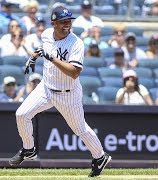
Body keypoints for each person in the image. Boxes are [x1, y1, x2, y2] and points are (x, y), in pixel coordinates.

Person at [9, 6, 111, 177]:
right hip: (46, 87)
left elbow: (74, 72)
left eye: (69, 21)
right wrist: (33, 57)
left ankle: (100, 157)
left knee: (80, 130)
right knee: (21, 114)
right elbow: (43, 49)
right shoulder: (47, 34)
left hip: (67, 92)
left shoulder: (76, 43)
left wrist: (51, 58)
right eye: (63, 21)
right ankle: (29, 150)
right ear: (53, 23)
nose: (67, 25)